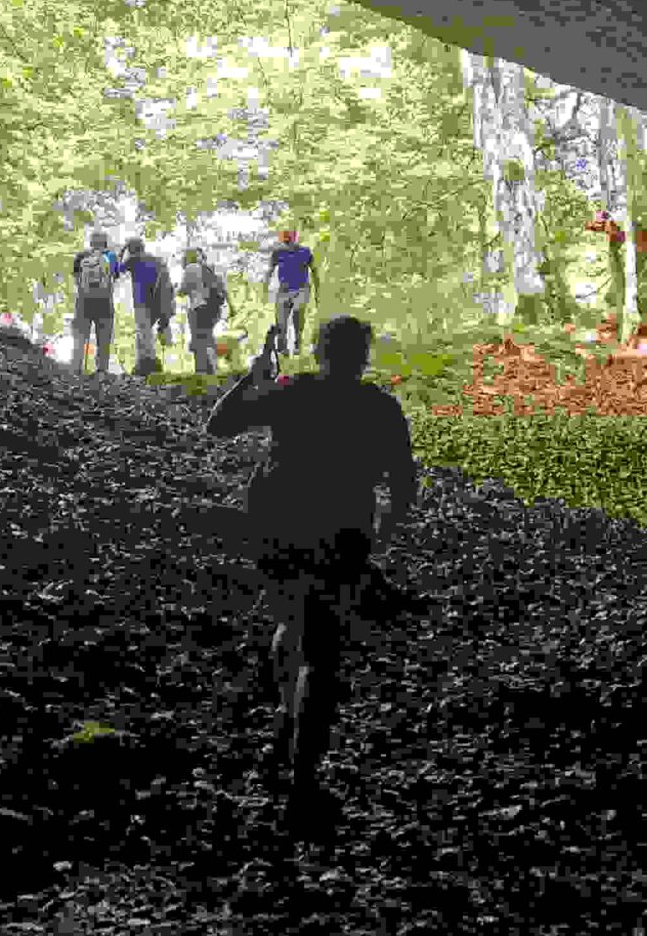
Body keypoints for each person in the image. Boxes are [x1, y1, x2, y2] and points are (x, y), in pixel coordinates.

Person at [206, 312, 421, 840]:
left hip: (279, 531)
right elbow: (402, 481)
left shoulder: (292, 392)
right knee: (322, 653)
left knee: (294, 623)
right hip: (343, 538)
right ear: (361, 355)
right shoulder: (379, 407)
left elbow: (220, 423)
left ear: (320, 351)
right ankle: (302, 778)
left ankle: (286, 727)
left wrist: (250, 378)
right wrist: (384, 536)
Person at [71, 229, 119, 376]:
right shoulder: (111, 257)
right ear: (105, 243)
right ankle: (102, 370)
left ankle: (76, 369)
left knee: (80, 338)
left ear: (91, 243)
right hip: (105, 304)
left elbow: (76, 278)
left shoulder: (81, 256)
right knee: (103, 340)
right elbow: (115, 276)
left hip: (83, 303)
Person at [118, 236, 169, 377]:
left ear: (132, 249)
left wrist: (122, 251)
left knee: (143, 332)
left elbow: (118, 269)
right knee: (144, 334)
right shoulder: (156, 259)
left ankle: (148, 366)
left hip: (142, 300)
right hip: (157, 301)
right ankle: (144, 364)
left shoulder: (133, 260)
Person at [180, 246, 231, 374]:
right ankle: (212, 368)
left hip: (198, 308)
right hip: (214, 309)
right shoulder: (210, 269)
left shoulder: (190, 268)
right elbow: (223, 289)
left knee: (199, 339)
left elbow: (182, 290)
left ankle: (202, 370)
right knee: (208, 337)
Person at [265, 228, 315, 357]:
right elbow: (270, 270)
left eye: (289, 240)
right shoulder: (278, 252)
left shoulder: (305, 252)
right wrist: (265, 285)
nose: (287, 244)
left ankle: (298, 345)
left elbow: (314, 270)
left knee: (298, 314)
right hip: (284, 291)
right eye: (285, 241)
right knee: (281, 321)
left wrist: (317, 289)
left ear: (295, 239)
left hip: (301, 289)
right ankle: (282, 349)